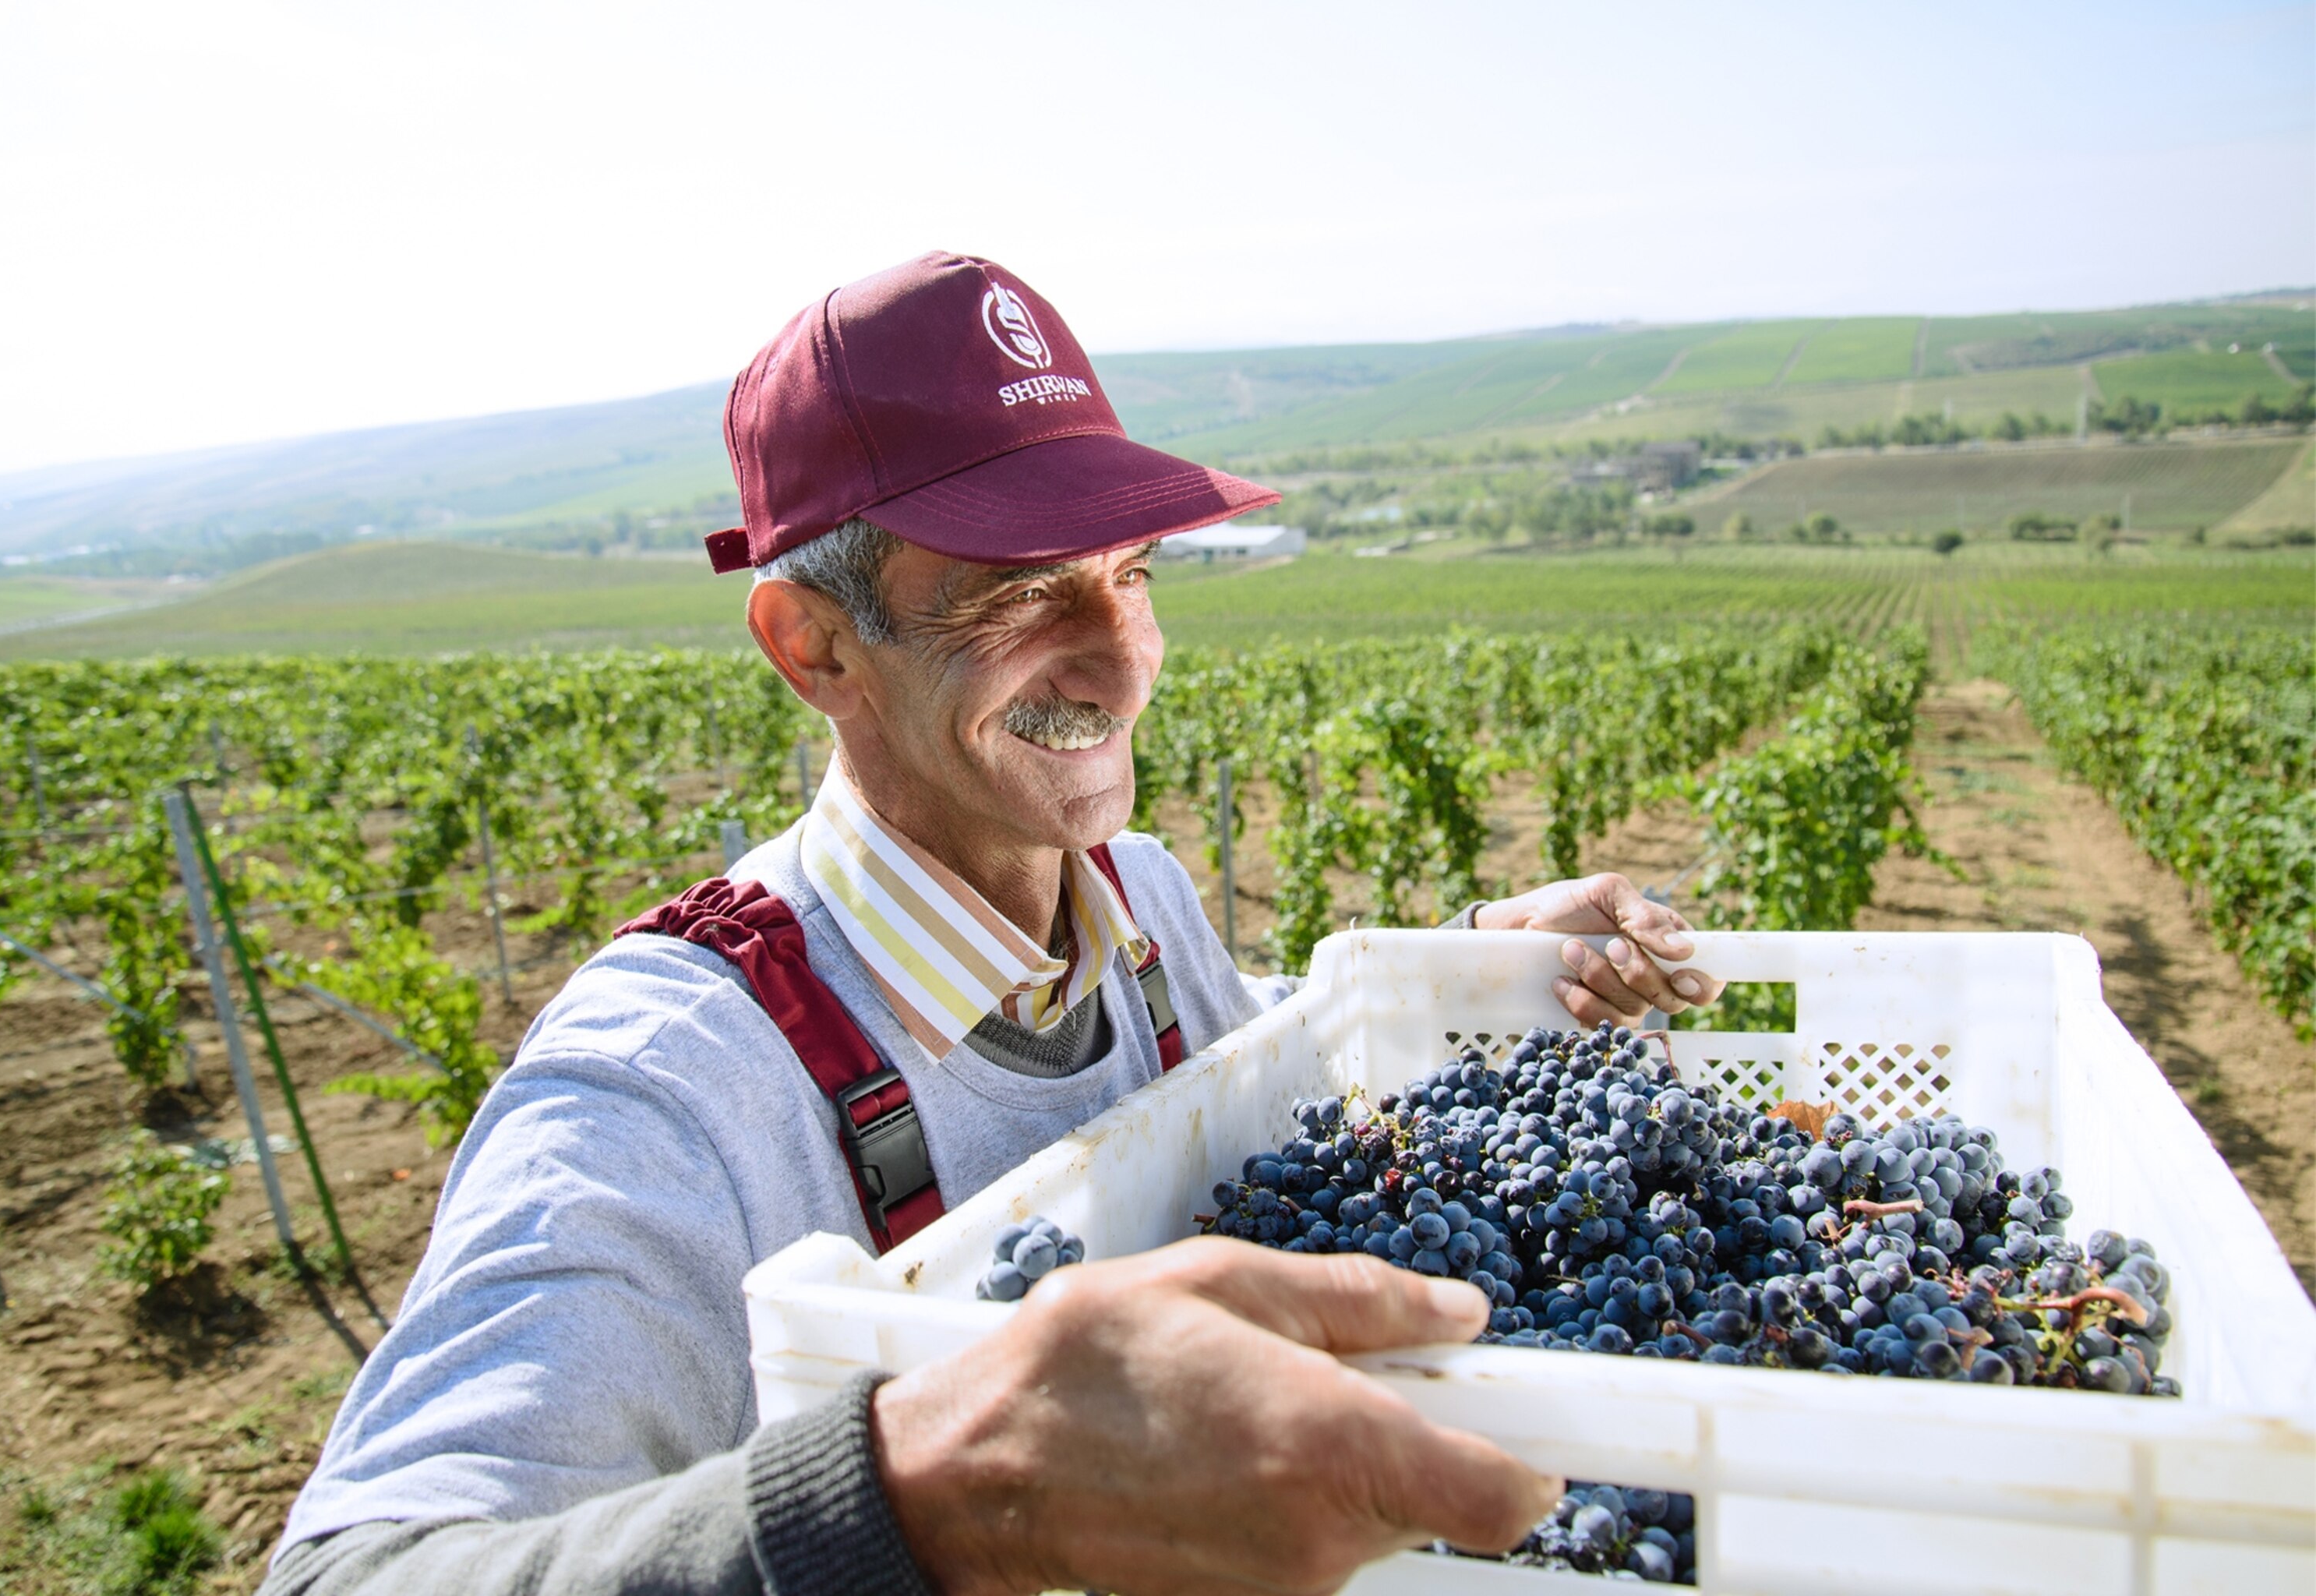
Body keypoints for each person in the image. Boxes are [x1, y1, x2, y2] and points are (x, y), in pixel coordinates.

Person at [263, 252, 1720, 1594]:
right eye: (1023, 595)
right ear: (814, 645)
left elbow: (1274, 1078)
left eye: (1133, 576)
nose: (1117, 665)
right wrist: (935, 1497)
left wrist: (1477, 955)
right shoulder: (668, 1091)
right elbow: (351, 1573)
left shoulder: (1138, 904)